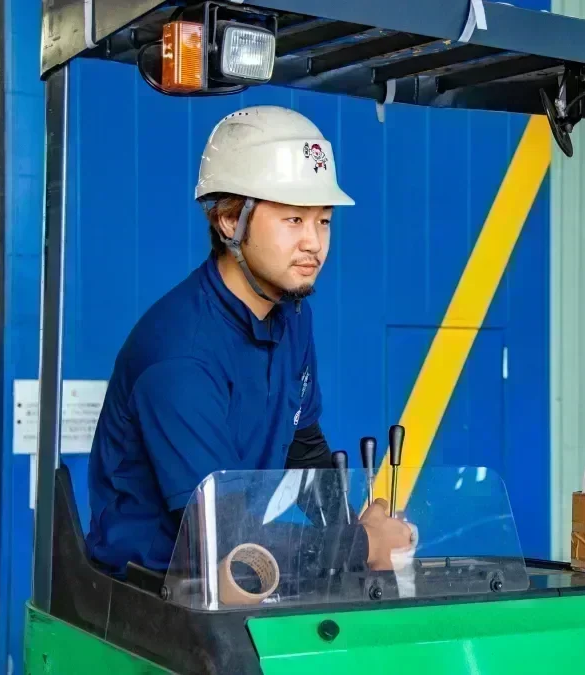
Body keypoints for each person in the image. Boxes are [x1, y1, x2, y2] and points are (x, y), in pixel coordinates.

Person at [84, 105, 413, 580]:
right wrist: (360, 546)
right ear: (228, 220)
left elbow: (303, 446)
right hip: (153, 591)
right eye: (293, 220)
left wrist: (350, 530)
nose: (314, 243)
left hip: (233, 574)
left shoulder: (292, 315)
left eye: (323, 221)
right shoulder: (181, 357)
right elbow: (223, 534)